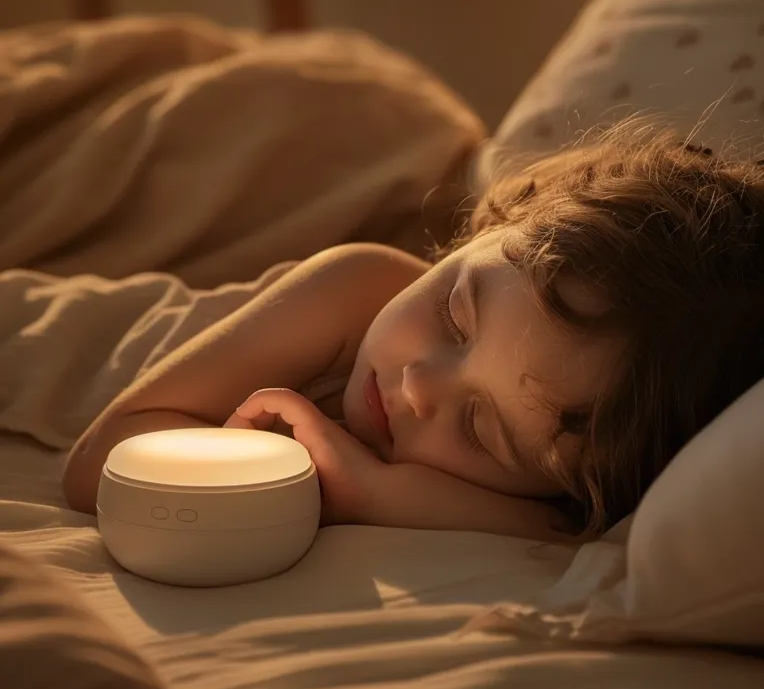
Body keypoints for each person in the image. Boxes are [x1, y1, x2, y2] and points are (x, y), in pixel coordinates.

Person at [62, 118, 764, 543]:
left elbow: (579, 542)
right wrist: (322, 491)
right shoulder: (353, 287)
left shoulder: (564, 493)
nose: (419, 386)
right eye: (453, 317)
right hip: (58, 348)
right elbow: (99, 467)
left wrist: (376, 494)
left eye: (479, 429)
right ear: (493, 234)